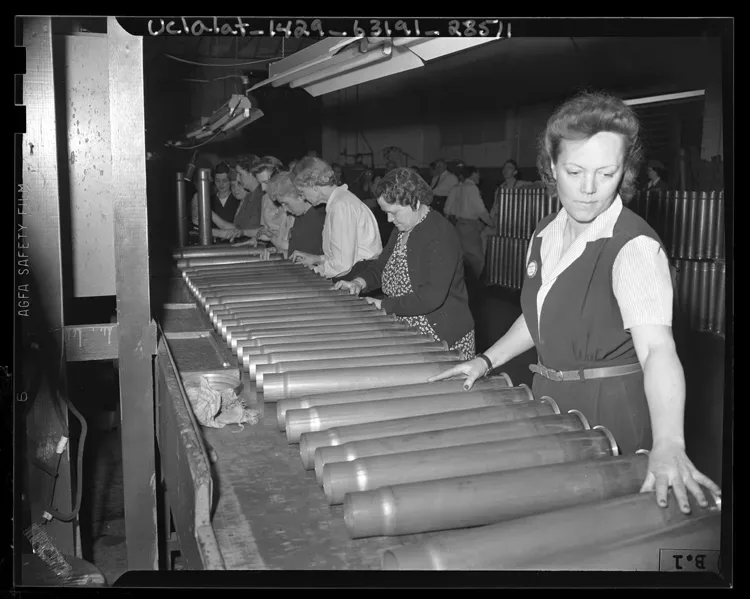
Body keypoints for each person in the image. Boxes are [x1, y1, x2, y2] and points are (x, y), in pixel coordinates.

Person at [429, 91, 721, 514]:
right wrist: (485, 361)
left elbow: (658, 350)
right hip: (549, 396)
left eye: (606, 173)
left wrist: (670, 443)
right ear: (551, 167)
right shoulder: (545, 233)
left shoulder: (632, 247)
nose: (588, 189)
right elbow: (539, 320)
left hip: (611, 410)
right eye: (574, 171)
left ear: (625, 172)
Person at [334, 168, 475, 358]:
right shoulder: (403, 228)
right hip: (406, 326)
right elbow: (381, 267)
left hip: (439, 335)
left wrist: (382, 305)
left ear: (415, 202)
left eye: (393, 213)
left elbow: (430, 297)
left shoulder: (439, 235)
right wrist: (359, 283)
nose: (389, 219)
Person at [289, 157, 382, 279]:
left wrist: (312, 271)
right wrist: (317, 259)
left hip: (360, 276)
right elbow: (343, 255)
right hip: (356, 271)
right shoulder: (339, 202)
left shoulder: (341, 205)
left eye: (302, 192)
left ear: (313, 185)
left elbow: (342, 265)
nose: (304, 197)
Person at [445, 165, 493, 281]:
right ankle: (477, 285)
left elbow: (447, 209)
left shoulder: (457, 188)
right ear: (473, 174)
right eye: (477, 174)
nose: (479, 177)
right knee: (477, 258)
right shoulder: (472, 188)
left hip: (458, 225)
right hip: (470, 225)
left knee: (462, 256)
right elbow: (480, 210)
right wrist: (491, 222)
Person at [267, 171, 325, 257]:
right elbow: (297, 254)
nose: (285, 209)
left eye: (286, 203)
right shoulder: (300, 216)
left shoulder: (317, 218)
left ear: (300, 196)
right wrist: (278, 252)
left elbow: (313, 260)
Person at [254, 157, 295, 254]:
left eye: (266, 182)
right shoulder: (264, 198)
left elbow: (290, 243)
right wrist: (257, 240)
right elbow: (265, 231)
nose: (263, 188)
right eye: (260, 183)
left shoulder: (292, 205)